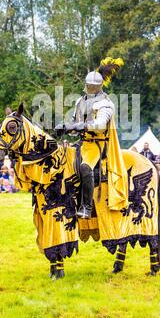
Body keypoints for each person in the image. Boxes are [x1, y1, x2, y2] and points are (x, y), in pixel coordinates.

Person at [55, 58, 127, 219]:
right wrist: (65, 126)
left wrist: (80, 126)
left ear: (100, 86)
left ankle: (86, 207)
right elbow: (75, 123)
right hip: (82, 142)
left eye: (95, 86)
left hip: (98, 145)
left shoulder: (106, 104)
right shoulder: (80, 101)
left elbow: (100, 124)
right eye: (90, 85)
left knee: (85, 168)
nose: (92, 88)